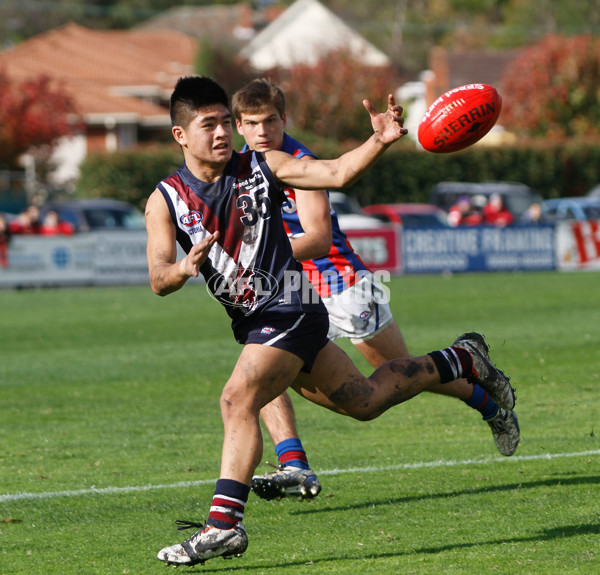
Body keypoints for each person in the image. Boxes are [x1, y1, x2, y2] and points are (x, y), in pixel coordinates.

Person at [146, 76, 516, 567]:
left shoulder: (263, 165)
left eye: (223, 124)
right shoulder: (164, 199)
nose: (221, 134)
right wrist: (183, 269)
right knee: (364, 401)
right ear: (180, 136)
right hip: (256, 321)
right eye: (208, 125)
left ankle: (224, 525)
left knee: (238, 398)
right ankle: (461, 358)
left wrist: (378, 141)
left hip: (292, 308)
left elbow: (338, 173)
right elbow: (158, 276)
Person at [231, 78, 520, 501]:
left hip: (341, 283)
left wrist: (257, 256)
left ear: (284, 120)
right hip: (292, 289)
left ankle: (483, 394)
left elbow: (318, 240)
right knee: (261, 371)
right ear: (238, 126)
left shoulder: (297, 160)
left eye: (270, 121)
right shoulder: (237, 167)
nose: (262, 132)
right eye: (252, 123)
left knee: (402, 371)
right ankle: (294, 465)